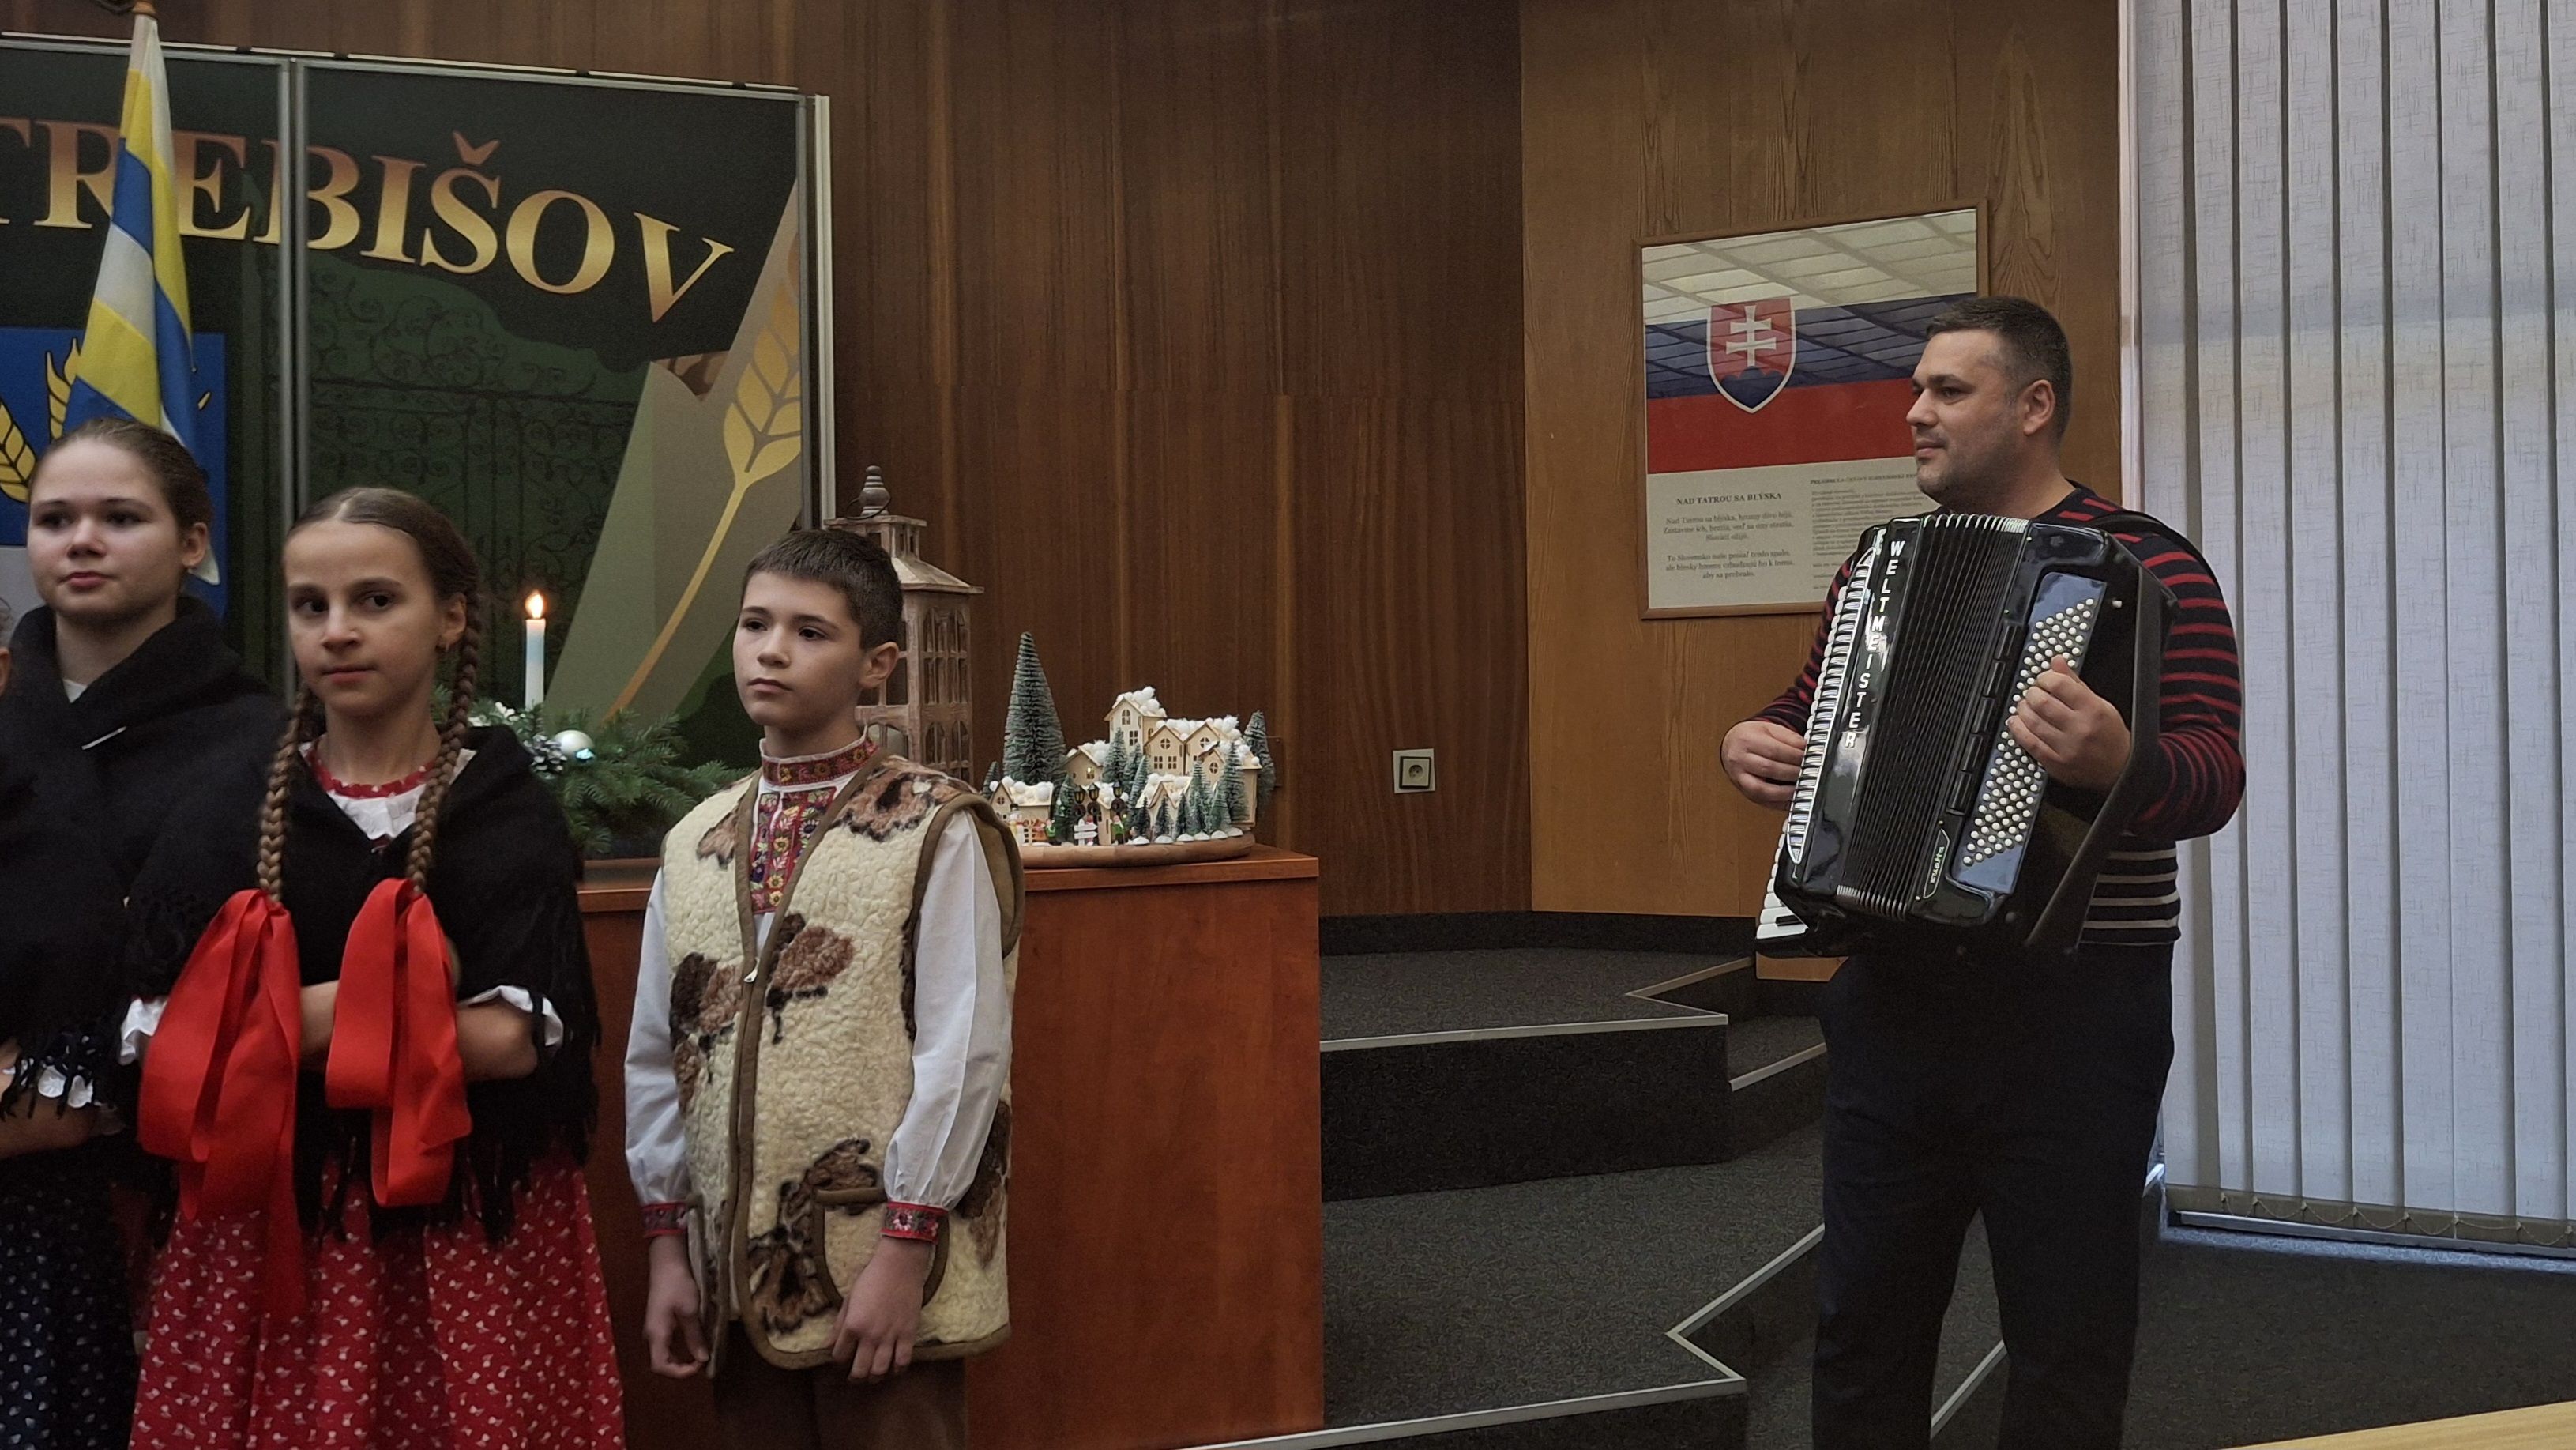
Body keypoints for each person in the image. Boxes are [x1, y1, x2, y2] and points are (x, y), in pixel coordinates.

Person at [1720, 296, 2243, 1449]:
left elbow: (2213, 773)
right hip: (1894, 1000)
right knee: (1862, 1327)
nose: (1915, 411)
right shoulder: (1880, 563)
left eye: (1947, 391)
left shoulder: (2152, 563)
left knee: (2065, 1340)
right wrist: (1754, 740)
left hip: (2076, 1011)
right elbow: (1808, 709)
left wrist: (2120, 762)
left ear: (2033, 405)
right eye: (1917, 388)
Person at [118, 487, 623, 1448]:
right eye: (311, 605)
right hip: (269, 1221)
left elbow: (515, 1037)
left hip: (459, 1226)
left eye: (376, 600)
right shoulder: (228, 806)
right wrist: (403, 1011)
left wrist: (262, 1025)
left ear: (451, 616)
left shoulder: (503, 808)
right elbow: (158, 1037)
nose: (337, 630)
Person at [624, 526, 1021, 1450]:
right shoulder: (694, 840)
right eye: (755, 623)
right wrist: (669, 1244)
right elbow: (659, 1051)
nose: (771, 649)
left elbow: (965, 1050)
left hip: (882, 1260)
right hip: (737, 1266)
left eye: (810, 631)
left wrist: (905, 1247)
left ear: (876, 663)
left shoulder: (935, 827)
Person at [0, 422, 282, 1449]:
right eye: (54, 519)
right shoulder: (5, 709)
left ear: (193, 542)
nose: (82, 539)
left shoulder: (258, 742)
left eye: (120, 517)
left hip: (169, 1188)